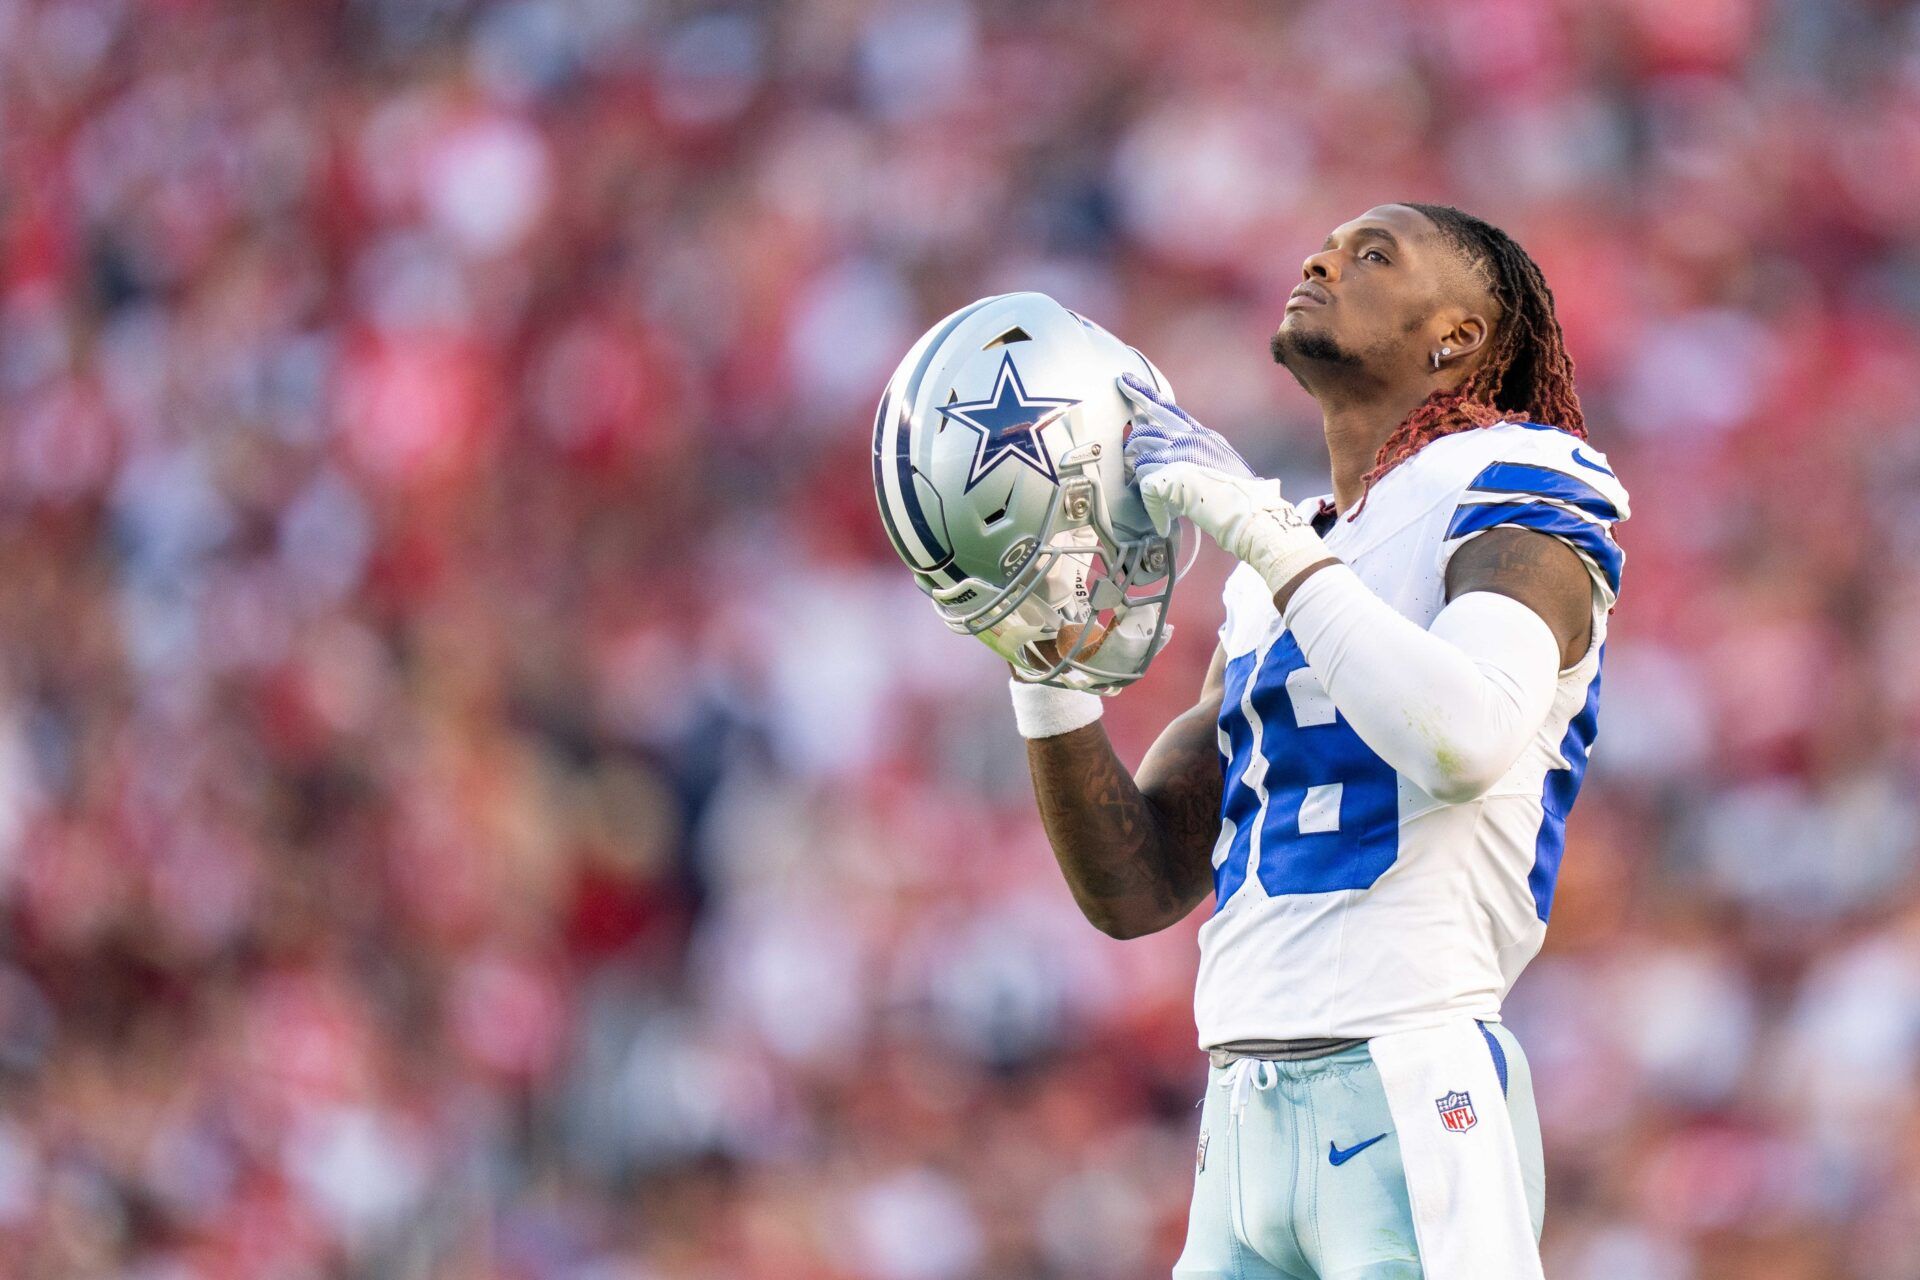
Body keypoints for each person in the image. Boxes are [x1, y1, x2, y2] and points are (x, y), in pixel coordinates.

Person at [1005, 203, 1629, 1279]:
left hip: (1409, 1081)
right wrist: (1043, 667)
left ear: (1459, 338)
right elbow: (1137, 882)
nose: (1322, 258)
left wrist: (1264, 532)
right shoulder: (1282, 566)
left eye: (1373, 254)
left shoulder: (1517, 479)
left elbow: (1467, 737)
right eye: (1329, 245)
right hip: (1241, 1113)